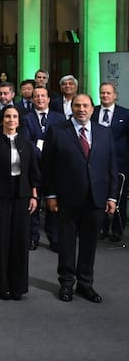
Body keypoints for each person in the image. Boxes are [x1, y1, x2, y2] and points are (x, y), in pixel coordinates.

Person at [42, 94, 119, 303]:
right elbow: (47, 167)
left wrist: (112, 196)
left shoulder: (104, 133)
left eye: (85, 106)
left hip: (96, 198)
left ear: (92, 109)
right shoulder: (57, 131)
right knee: (66, 243)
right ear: (71, 108)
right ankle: (66, 283)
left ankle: (86, 284)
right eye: (77, 105)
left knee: (89, 243)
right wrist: (50, 194)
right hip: (66, 198)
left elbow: (112, 167)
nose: (81, 109)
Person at [0, 107, 40, 300]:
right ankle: (2, 286)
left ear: (19, 120)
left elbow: (33, 170)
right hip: (0, 196)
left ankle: (18, 286)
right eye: (7, 116)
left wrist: (34, 195)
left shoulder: (26, 142)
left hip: (23, 195)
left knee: (20, 240)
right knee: (0, 240)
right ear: (2, 120)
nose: (11, 119)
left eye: (14, 117)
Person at [21, 86, 65, 251]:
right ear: (33, 99)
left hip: (54, 169)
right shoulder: (26, 119)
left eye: (43, 96)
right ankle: (32, 237)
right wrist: (43, 154)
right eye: (36, 96)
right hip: (34, 168)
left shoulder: (59, 118)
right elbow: (27, 142)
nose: (40, 99)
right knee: (33, 204)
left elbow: (62, 141)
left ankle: (54, 238)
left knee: (53, 205)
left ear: (48, 99)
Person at [92, 82, 129, 241]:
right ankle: (102, 227)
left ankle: (117, 229)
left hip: (120, 162)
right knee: (100, 195)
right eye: (102, 93)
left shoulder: (125, 114)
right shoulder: (93, 112)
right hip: (97, 161)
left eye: (108, 93)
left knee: (119, 196)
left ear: (115, 95)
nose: (104, 96)